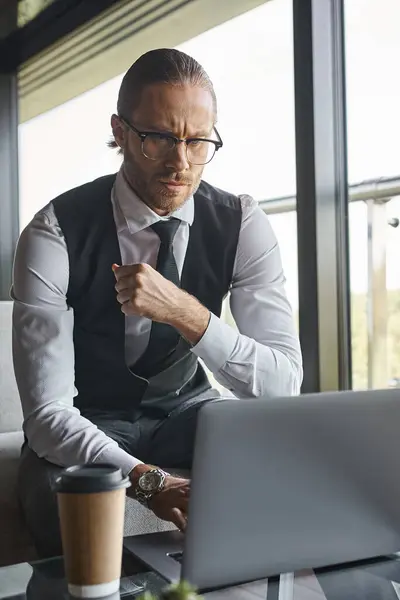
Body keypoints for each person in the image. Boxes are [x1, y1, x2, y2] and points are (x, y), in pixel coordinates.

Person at [12, 48, 303, 558]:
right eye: (159, 139)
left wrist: (185, 313)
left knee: (294, 470)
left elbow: (281, 386)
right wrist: (148, 482)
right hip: (88, 414)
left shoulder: (243, 223)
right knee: (58, 508)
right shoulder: (53, 231)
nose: (180, 162)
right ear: (120, 132)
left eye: (198, 141)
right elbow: (47, 414)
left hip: (189, 409)